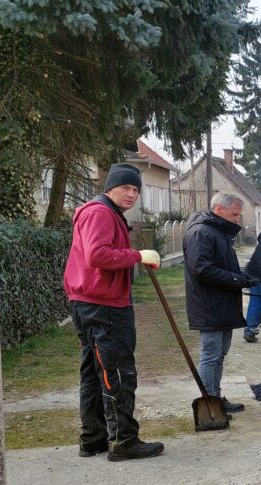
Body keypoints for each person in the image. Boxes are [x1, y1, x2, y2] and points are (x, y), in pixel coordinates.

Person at [64, 163, 164, 461]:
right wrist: (137, 256)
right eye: (125, 188)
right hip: (104, 305)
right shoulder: (100, 213)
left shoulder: (103, 211)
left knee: (93, 373)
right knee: (118, 371)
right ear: (110, 188)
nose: (131, 194)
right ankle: (123, 441)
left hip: (89, 302)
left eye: (135, 189)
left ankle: (93, 438)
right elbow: (97, 255)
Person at [183, 192, 254, 414]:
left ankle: (216, 397)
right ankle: (210, 406)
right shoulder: (201, 232)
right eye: (234, 214)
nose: (237, 219)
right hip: (209, 305)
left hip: (223, 303)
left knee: (219, 355)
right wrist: (236, 280)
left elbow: (223, 265)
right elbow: (201, 269)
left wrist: (243, 276)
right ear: (219, 209)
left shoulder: (219, 231)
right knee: (211, 355)